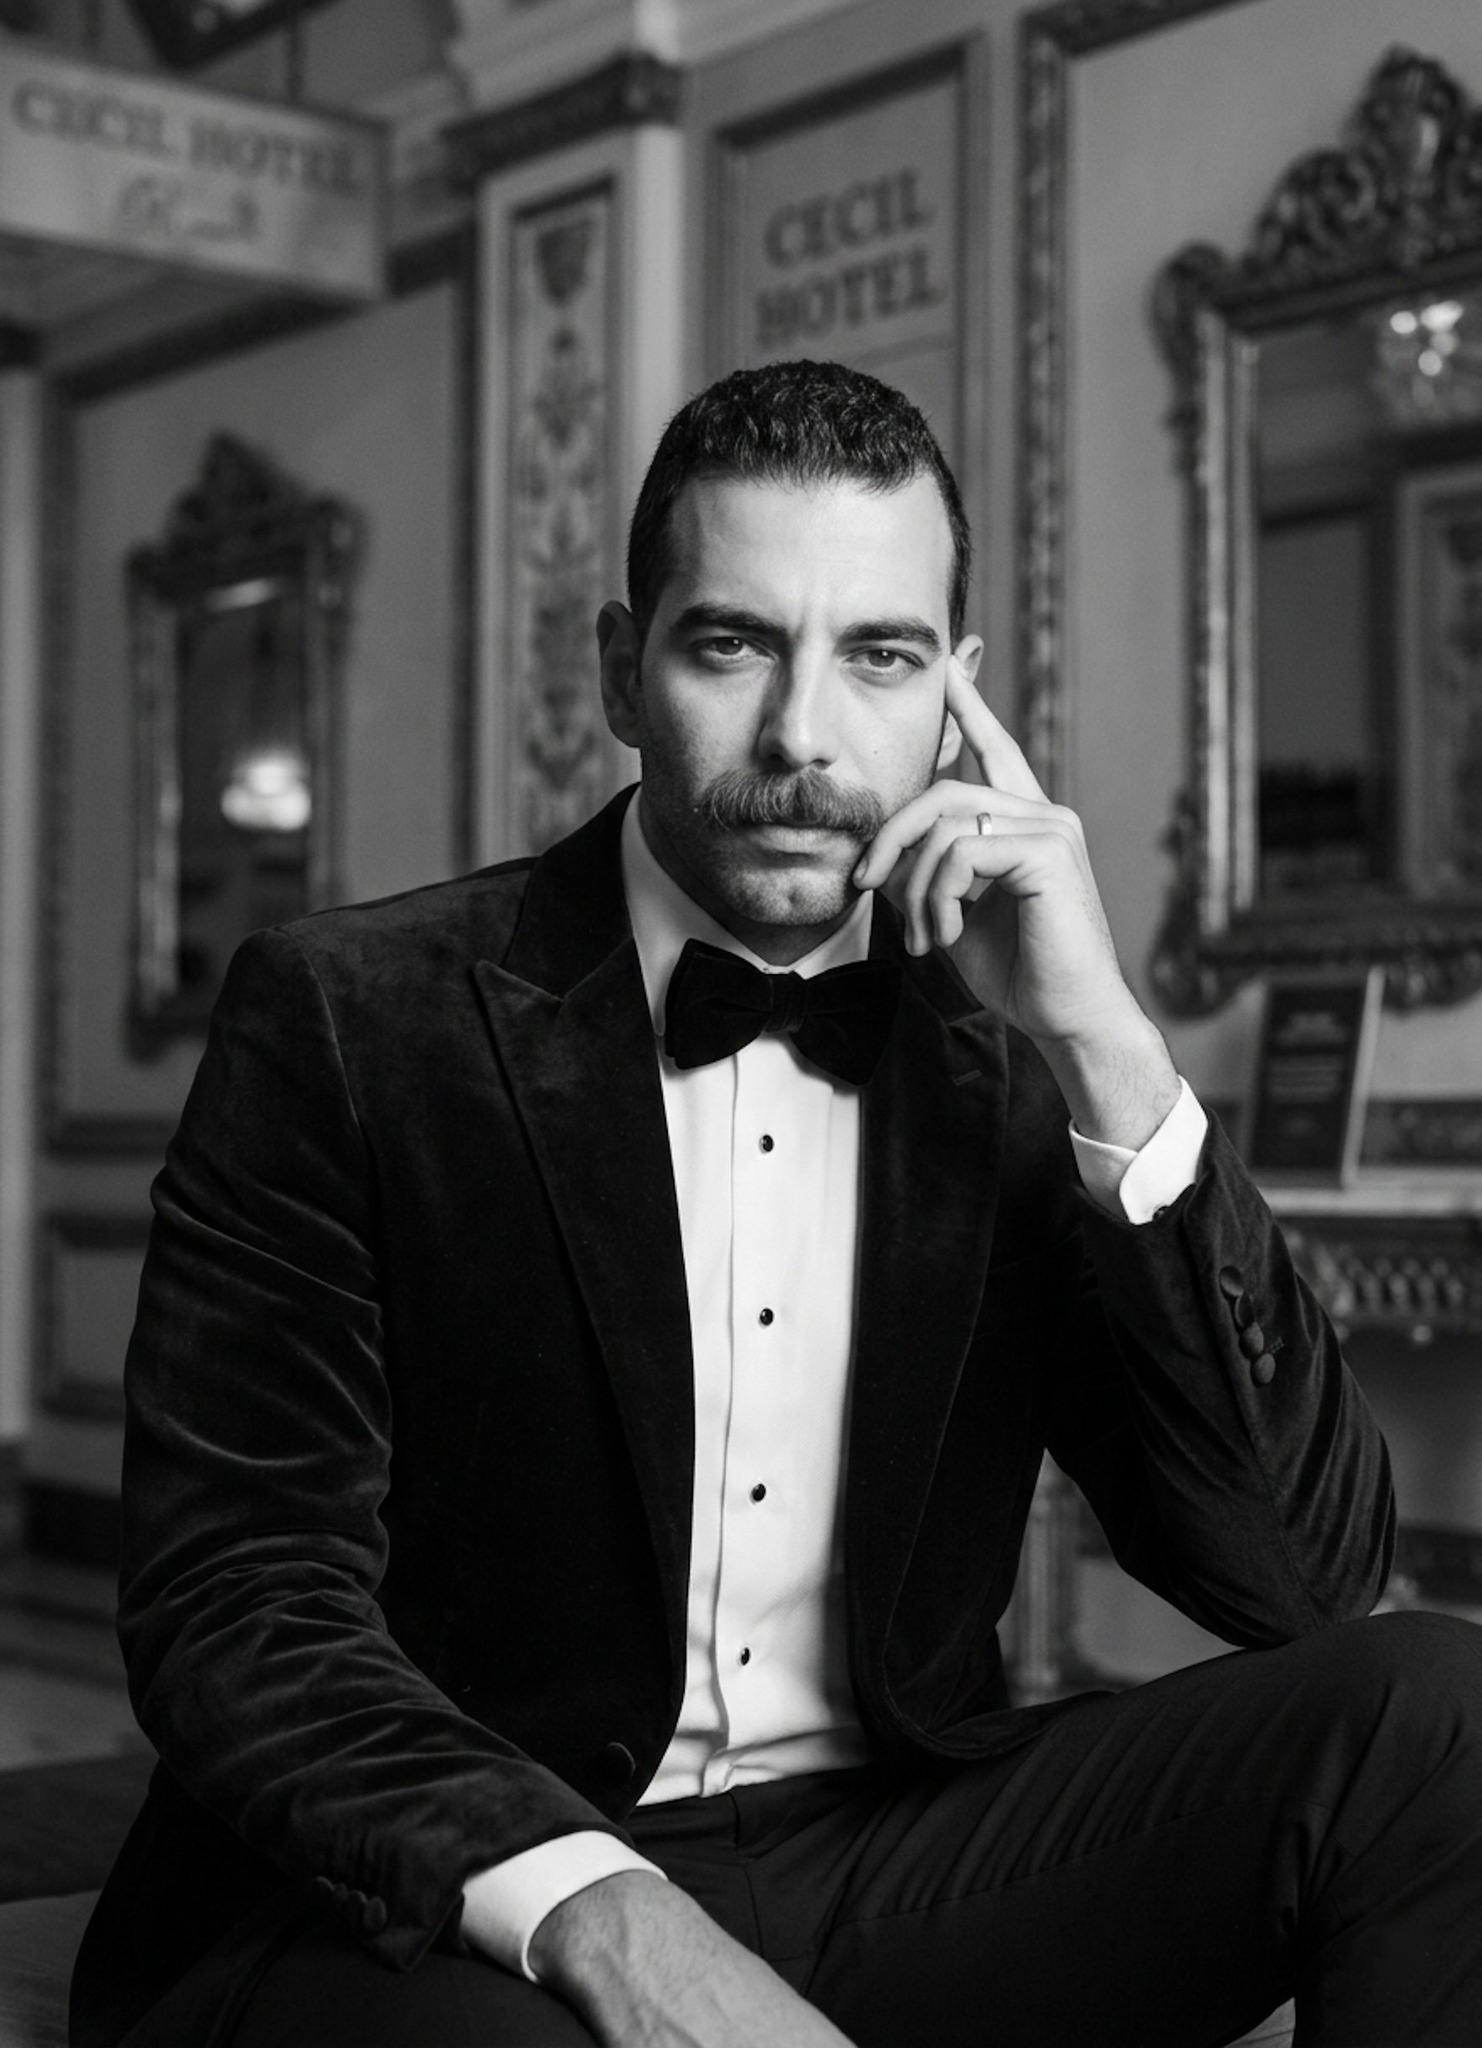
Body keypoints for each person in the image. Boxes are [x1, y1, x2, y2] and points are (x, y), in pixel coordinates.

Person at [72, 360, 1480, 2048]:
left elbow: (1300, 1583)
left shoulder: (1016, 1056)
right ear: (621, 669)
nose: (804, 737)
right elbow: (239, 1604)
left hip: (879, 1849)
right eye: (731, 644)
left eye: (876, 657)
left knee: (1434, 1718)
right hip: (429, 1891)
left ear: (953, 694)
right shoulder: (345, 1015)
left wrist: (1106, 1044)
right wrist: (601, 1911)